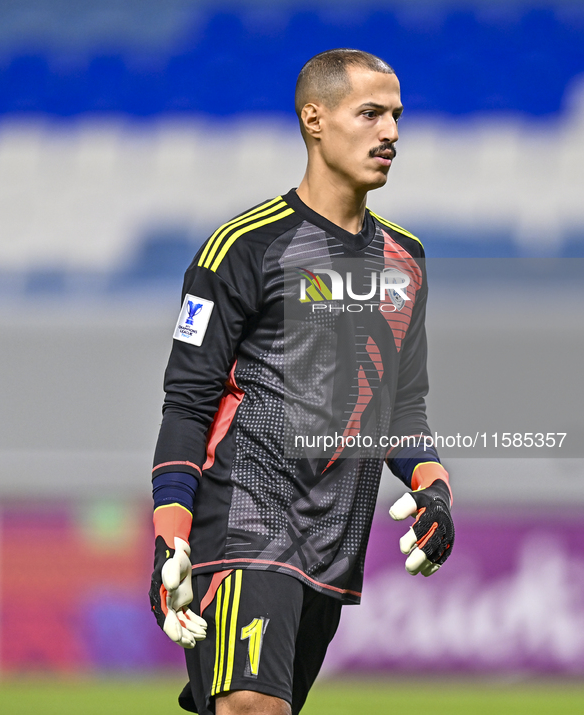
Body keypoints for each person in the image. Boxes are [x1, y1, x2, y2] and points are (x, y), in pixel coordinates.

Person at [149, 48, 454, 715]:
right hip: (244, 518)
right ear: (313, 120)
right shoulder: (242, 247)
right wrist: (169, 532)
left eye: (396, 116)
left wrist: (433, 489)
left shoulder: (407, 261)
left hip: (334, 540)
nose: (391, 133)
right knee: (250, 706)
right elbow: (188, 401)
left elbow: (401, 404)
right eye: (369, 113)